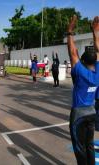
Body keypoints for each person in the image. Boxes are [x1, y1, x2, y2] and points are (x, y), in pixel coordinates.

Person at [67, 15, 99, 165]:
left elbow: (73, 53)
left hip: (79, 114)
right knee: (89, 146)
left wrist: (70, 32)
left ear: (84, 60)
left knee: (80, 149)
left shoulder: (80, 71)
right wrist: (95, 32)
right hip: (92, 112)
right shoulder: (97, 72)